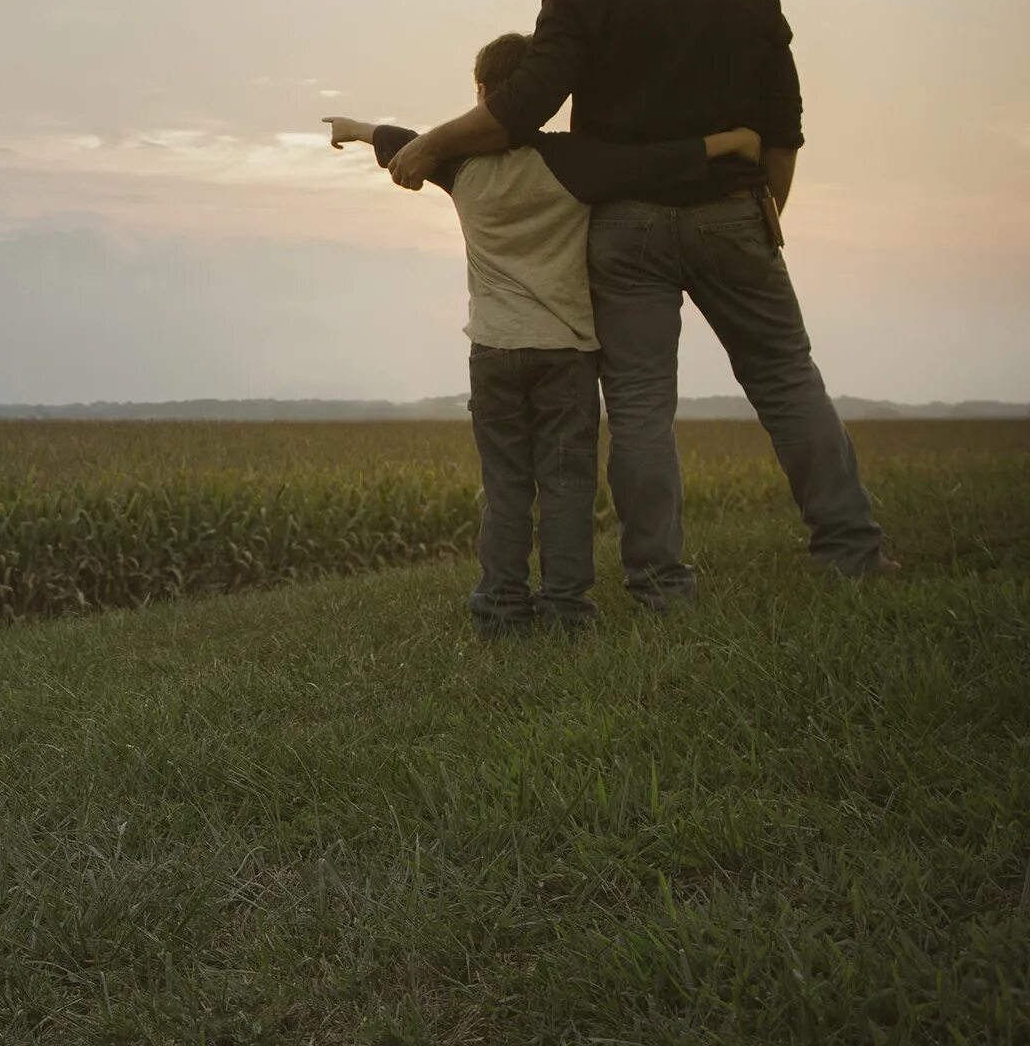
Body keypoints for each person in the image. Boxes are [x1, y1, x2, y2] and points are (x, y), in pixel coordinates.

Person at [387, 0, 894, 607]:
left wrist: (429, 143)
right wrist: (765, 217)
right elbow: (782, 134)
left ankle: (660, 581)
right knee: (788, 381)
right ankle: (852, 553)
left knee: (639, 408)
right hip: (732, 213)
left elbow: (518, 109)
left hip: (624, 232)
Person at [327, 32, 762, 635]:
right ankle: (566, 610)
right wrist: (732, 142)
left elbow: (399, 140)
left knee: (506, 488)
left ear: (480, 95)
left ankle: (502, 607)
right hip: (567, 354)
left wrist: (352, 127)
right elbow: (657, 161)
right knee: (566, 488)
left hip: (495, 351)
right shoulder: (573, 160)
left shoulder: (457, 164)